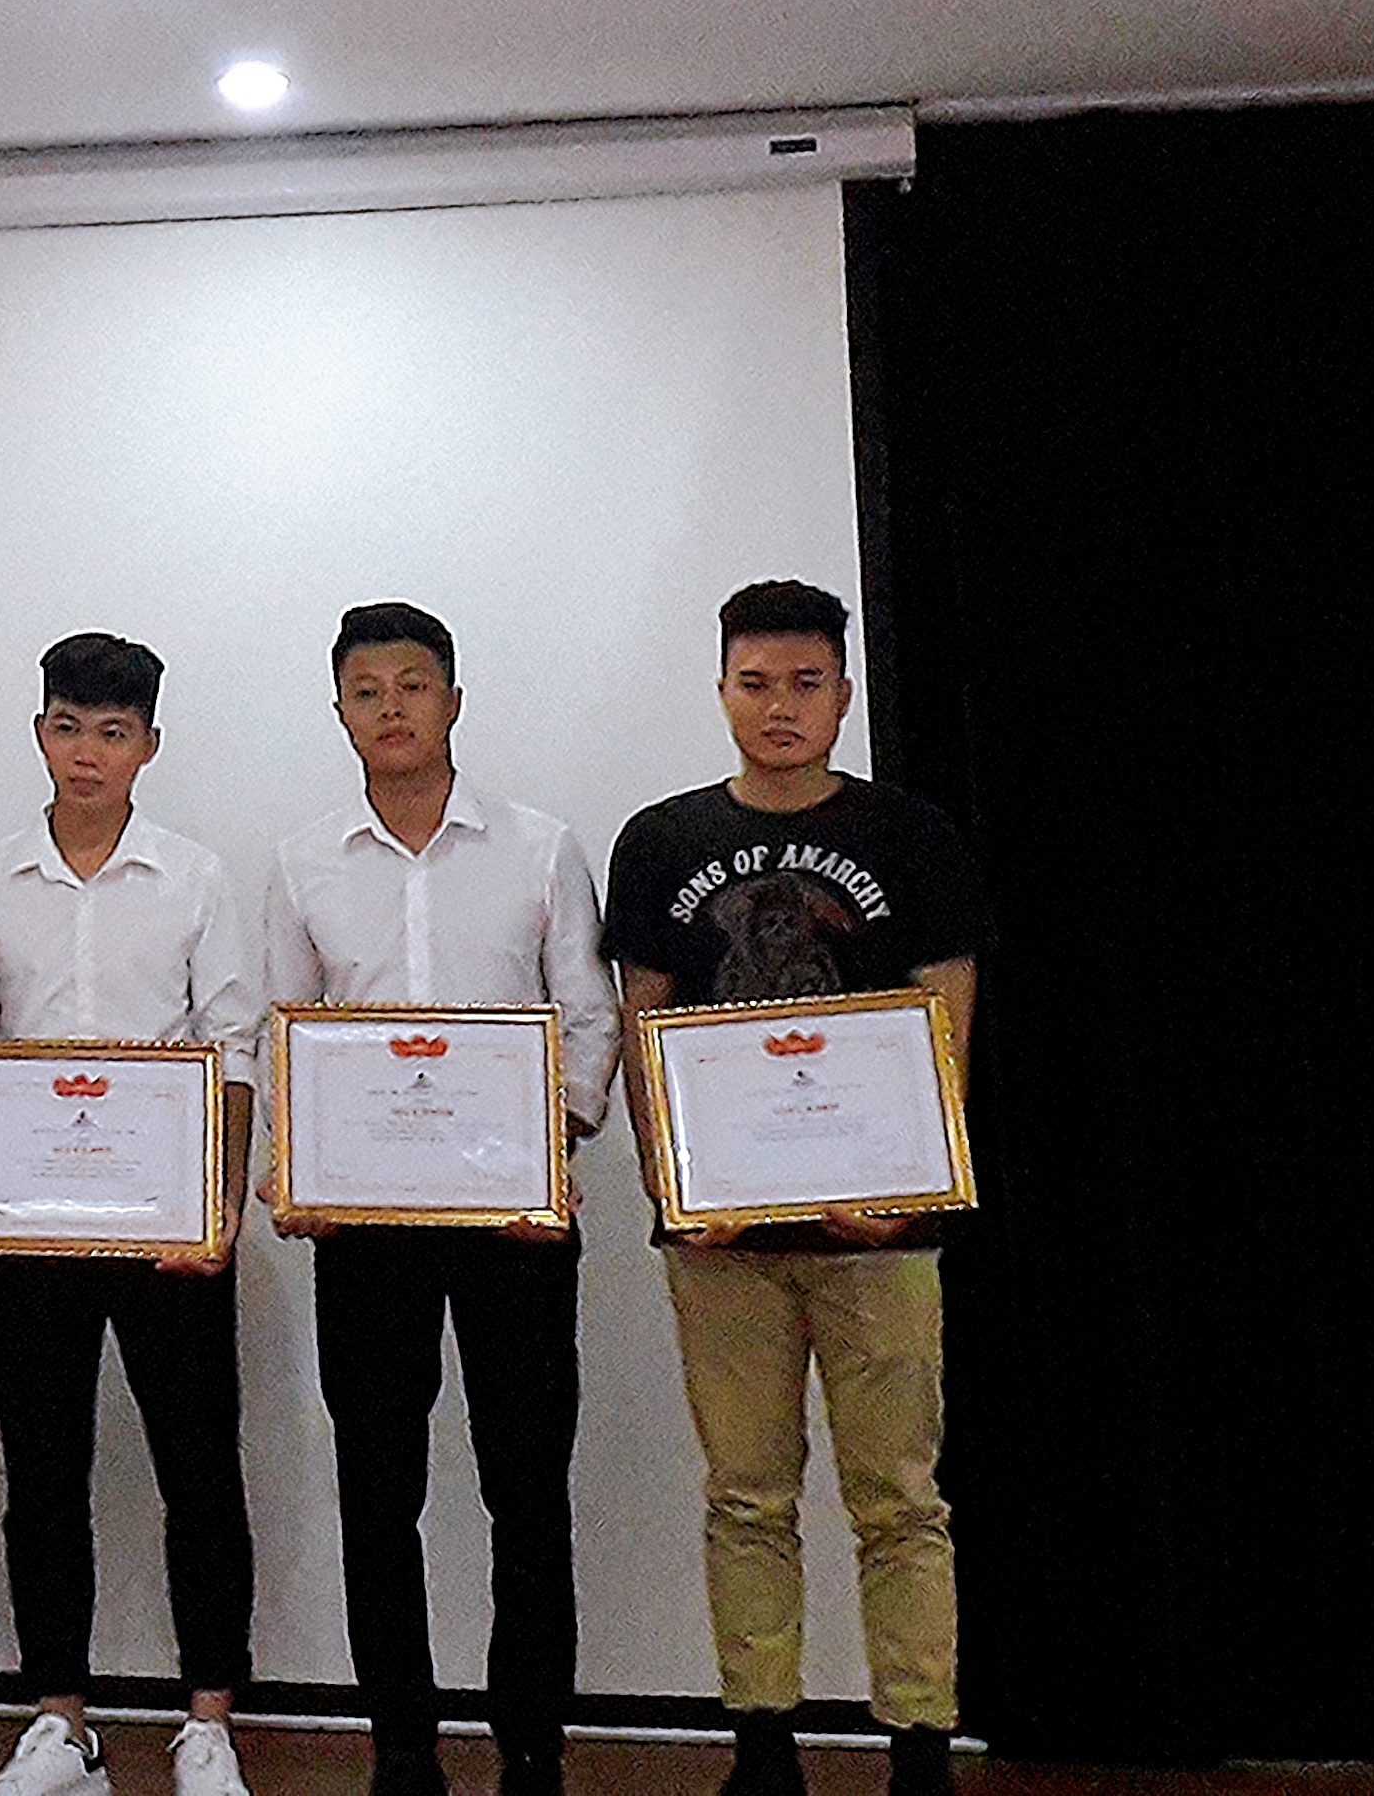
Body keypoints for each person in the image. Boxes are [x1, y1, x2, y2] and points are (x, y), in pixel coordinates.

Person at [603, 582, 990, 1796]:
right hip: (724, 1237)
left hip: (880, 1233)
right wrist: (676, 1184)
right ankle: (763, 1744)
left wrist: (911, 1177)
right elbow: (644, 1023)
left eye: (806, 684)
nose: (781, 707)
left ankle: (919, 1744)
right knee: (747, 1498)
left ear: (844, 695)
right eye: (756, 683)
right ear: (722, 690)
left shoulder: (911, 834)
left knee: (901, 1500)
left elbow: (944, 1013)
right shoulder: (661, 841)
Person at [266, 604, 620, 1796]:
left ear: (454, 700)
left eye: (414, 685)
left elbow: (588, 1018)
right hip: (367, 1230)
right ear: (340, 714)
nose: (392, 709)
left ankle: (533, 1743)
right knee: (378, 1490)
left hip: (515, 1221)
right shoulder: (304, 862)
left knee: (527, 1487)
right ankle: (403, 1745)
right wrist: (298, 1166)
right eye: (367, 692)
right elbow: (285, 1033)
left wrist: (548, 1143)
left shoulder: (540, 848)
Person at [0, 634, 263, 1796]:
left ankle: (209, 1722)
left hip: (171, 1228)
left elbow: (232, 1050)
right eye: (68, 727)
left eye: (113, 733)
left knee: (199, 1473)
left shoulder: (197, 879)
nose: (88, 753)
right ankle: (60, 1723)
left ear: (149, 747)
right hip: (31, 1227)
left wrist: (220, 1210)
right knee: (42, 1477)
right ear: (41, 734)